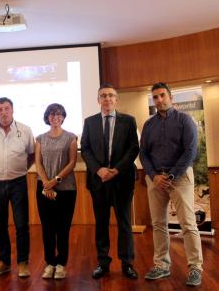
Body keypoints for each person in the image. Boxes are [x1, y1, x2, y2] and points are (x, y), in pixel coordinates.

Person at [140, 82, 203, 286]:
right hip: (155, 179)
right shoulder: (149, 125)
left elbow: (190, 151)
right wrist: (153, 175)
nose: (159, 100)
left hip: (181, 177)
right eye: (155, 97)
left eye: (162, 96)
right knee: (158, 224)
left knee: (188, 224)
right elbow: (144, 153)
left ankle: (195, 268)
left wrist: (173, 175)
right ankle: (161, 265)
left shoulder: (185, 120)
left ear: (170, 97)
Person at [81, 84, 139, 280]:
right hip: (98, 182)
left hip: (122, 180)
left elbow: (133, 148)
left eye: (111, 95)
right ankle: (103, 263)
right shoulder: (89, 122)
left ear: (116, 99)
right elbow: (86, 149)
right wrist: (99, 169)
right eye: (103, 96)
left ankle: (127, 263)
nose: (107, 99)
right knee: (101, 223)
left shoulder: (129, 121)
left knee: (124, 223)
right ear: (98, 100)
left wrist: (116, 170)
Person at [0, 97, 35, 278]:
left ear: (12, 110)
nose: (3, 112)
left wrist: (20, 169)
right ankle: (4, 262)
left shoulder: (25, 130)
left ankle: (23, 263)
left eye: (6, 108)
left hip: (18, 183)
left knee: (22, 225)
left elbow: (32, 155)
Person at [35, 103, 78, 280]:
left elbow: (72, 162)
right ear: (47, 117)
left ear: (63, 116)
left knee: (63, 228)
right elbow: (38, 163)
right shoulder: (39, 138)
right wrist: (46, 183)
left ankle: (61, 264)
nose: (56, 117)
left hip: (66, 189)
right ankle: (50, 263)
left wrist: (55, 181)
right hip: (44, 188)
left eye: (59, 114)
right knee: (47, 228)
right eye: (52, 114)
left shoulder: (71, 137)